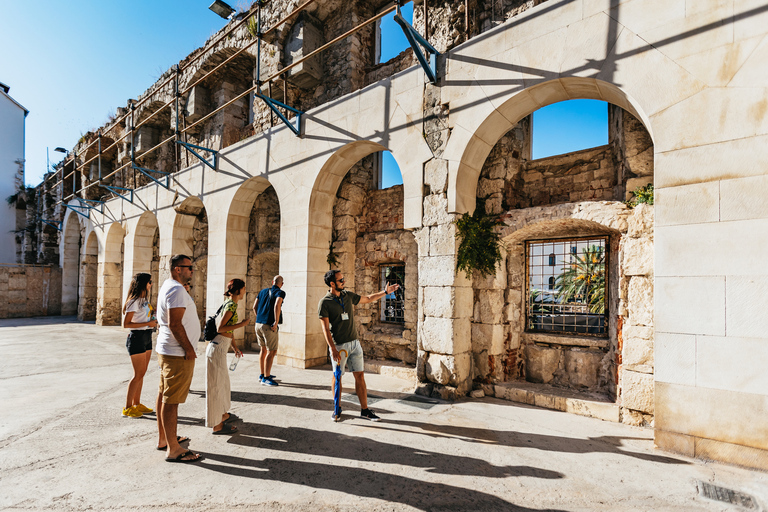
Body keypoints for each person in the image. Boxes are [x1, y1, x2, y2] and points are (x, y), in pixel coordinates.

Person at [318, 269, 399, 422]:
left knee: (360, 376)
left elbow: (368, 298)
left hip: (355, 344)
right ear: (332, 284)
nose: (344, 282)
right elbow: (325, 328)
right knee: (338, 376)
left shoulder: (347, 296)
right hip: (339, 346)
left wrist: (385, 292)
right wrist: (333, 348)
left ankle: (365, 410)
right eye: (341, 280)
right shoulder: (325, 303)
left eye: (343, 279)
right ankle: (337, 409)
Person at [155, 254, 201, 463]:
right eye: (188, 267)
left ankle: (165, 439)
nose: (192, 270)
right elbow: (175, 324)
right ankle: (174, 449)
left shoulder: (170, 287)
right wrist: (189, 349)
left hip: (169, 350)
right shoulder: (176, 290)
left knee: (164, 394)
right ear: (177, 269)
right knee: (171, 400)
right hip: (177, 352)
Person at [206, 278, 248, 435]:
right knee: (216, 386)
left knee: (222, 384)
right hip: (217, 349)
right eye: (244, 288)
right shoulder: (230, 304)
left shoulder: (230, 303)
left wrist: (234, 347)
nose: (245, 291)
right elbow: (221, 327)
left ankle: (222, 415)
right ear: (238, 290)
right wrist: (242, 324)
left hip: (220, 348)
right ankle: (216, 425)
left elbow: (228, 330)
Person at [121, 272, 158, 418]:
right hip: (136, 337)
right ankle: (128, 407)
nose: (151, 284)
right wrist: (148, 323)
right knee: (137, 374)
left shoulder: (144, 300)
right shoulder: (134, 301)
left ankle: (137, 403)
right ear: (143, 284)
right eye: (150, 282)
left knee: (142, 373)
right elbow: (126, 324)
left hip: (147, 336)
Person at [252, 275, 285, 386]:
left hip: (258, 324)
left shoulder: (262, 291)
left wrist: (259, 317)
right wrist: (275, 322)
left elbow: (254, 306)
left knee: (263, 350)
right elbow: (277, 305)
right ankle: (266, 378)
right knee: (272, 351)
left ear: (272, 282)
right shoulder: (280, 292)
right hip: (268, 326)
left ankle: (262, 374)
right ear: (282, 284)